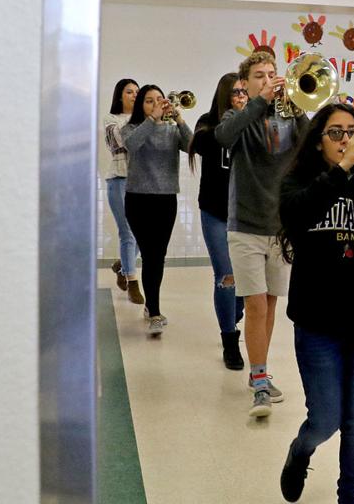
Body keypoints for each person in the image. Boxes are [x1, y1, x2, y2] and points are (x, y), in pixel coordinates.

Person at [276, 102, 354, 504]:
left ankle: (349, 498)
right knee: (324, 420)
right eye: (335, 132)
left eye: (352, 131)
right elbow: (297, 214)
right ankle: (300, 451)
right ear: (318, 142)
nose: (345, 139)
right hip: (317, 322)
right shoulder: (299, 182)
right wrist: (341, 171)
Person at [215, 50, 301, 417]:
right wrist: (259, 102)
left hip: (281, 228)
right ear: (246, 84)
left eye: (272, 74)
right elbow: (223, 136)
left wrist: (299, 105)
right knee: (253, 304)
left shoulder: (289, 117)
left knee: (269, 306)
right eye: (260, 76)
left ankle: (258, 372)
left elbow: (313, 142)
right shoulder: (238, 115)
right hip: (245, 226)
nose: (268, 80)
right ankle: (261, 381)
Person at [121, 84, 193, 336]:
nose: (155, 105)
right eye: (149, 101)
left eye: (159, 100)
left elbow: (192, 145)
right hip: (138, 199)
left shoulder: (172, 130)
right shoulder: (131, 128)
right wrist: (152, 120)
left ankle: (152, 305)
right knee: (151, 254)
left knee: (157, 256)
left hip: (166, 200)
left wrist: (179, 118)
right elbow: (132, 144)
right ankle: (154, 311)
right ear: (141, 105)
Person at [187, 72, 248, 370]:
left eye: (243, 92)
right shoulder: (207, 122)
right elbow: (201, 145)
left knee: (243, 284)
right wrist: (231, 120)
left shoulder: (254, 123)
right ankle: (230, 341)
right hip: (214, 212)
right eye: (235, 92)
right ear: (224, 95)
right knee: (226, 277)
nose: (240, 97)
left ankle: (232, 314)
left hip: (245, 215)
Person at [103, 78, 144, 304]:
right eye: (130, 92)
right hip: (119, 178)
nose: (134, 95)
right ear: (120, 96)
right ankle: (132, 281)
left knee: (142, 233)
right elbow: (122, 141)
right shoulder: (110, 119)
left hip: (142, 182)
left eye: (137, 91)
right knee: (127, 231)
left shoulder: (143, 119)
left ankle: (121, 266)